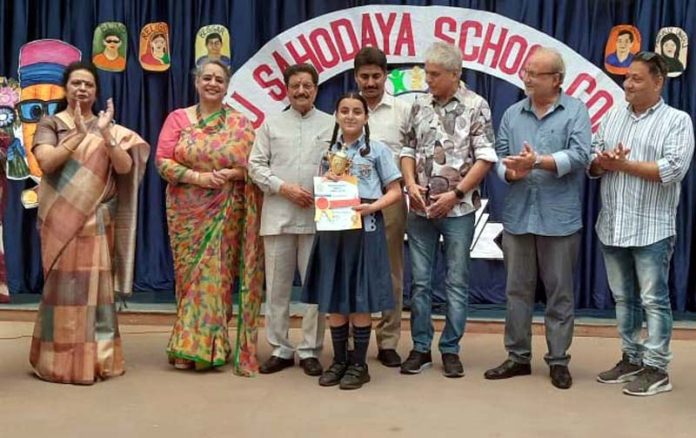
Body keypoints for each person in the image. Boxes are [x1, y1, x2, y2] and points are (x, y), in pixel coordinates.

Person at [29, 62, 149, 384]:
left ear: (96, 92)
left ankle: (99, 361)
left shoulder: (109, 127)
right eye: (76, 84)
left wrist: (106, 135)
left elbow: (124, 169)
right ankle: (57, 363)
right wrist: (79, 135)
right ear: (66, 89)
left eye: (89, 85)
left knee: (96, 295)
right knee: (63, 294)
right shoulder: (51, 123)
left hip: (96, 220)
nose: (82, 89)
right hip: (61, 222)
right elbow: (46, 162)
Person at [483, 47, 591, 389]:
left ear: (556, 80)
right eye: (525, 71)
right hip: (518, 215)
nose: (525, 78)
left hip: (559, 218)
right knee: (517, 291)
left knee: (559, 293)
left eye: (534, 73)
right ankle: (517, 357)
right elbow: (498, 157)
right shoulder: (513, 113)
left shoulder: (576, 111)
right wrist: (511, 173)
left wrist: (538, 161)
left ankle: (558, 360)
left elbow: (580, 155)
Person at [590, 52, 694, 396]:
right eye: (627, 77)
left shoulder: (677, 121)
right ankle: (631, 358)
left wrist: (625, 165)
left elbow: (673, 170)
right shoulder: (612, 115)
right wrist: (602, 163)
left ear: (658, 81)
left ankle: (657, 368)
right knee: (624, 298)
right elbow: (594, 162)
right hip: (613, 225)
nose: (628, 84)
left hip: (652, 227)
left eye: (636, 78)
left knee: (653, 300)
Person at [157, 60, 264, 376]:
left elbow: (254, 164)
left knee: (215, 279)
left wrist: (236, 172)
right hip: (186, 213)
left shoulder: (241, 124)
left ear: (228, 85)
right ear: (196, 82)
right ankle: (187, 345)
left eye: (219, 79)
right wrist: (197, 178)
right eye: (207, 78)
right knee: (189, 280)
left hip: (226, 210)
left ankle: (209, 348)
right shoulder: (178, 119)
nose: (213, 83)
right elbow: (162, 161)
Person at [399, 42, 497, 378]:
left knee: (457, 281)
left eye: (435, 74)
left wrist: (455, 194)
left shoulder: (476, 106)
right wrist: (410, 184)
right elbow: (407, 149)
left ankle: (451, 349)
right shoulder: (418, 104)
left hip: (459, 209)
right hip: (421, 209)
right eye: (426, 72)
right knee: (421, 283)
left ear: (455, 75)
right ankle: (420, 348)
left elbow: (485, 157)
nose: (428, 79)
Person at [303, 92, 402, 389]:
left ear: (366, 117)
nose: (349, 116)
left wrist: (372, 206)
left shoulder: (378, 151)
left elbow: (396, 191)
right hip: (333, 233)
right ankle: (339, 361)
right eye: (343, 110)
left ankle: (359, 364)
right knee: (334, 298)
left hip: (365, 230)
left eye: (356, 111)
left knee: (360, 299)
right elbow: (321, 191)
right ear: (335, 115)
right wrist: (327, 189)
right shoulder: (328, 153)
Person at [249, 63, 332, 376]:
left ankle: (310, 350)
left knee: (314, 290)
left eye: (307, 85)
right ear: (286, 89)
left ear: (316, 88)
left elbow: (343, 164)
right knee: (278, 290)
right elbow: (255, 166)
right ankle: (281, 349)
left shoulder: (331, 124)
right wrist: (282, 188)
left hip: (316, 219)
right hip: (278, 217)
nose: (301, 91)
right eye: (295, 85)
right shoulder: (271, 125)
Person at [352, 46, 412, 367]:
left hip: (390, 201)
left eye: (376, 76)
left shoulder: (402, 111)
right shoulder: (347, 109)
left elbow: (410, 157)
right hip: (349, 205)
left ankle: (388, 341)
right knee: (350, 269)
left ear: (386, 76)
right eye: (365, 76)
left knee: (391, 272)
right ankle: (349, 338)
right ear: (356, 77)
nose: (371, 82)